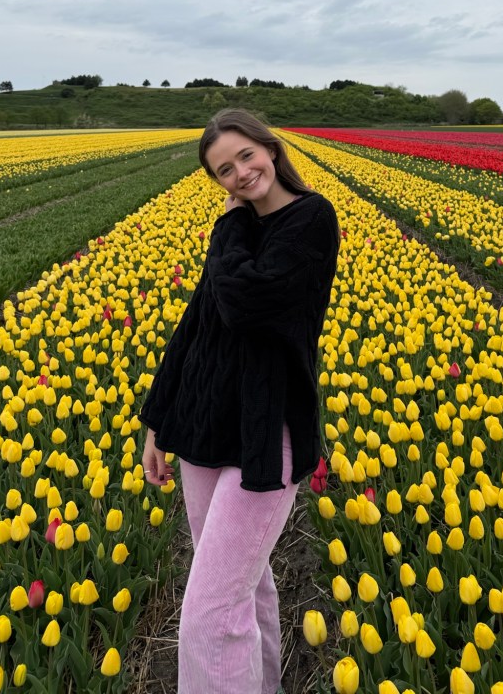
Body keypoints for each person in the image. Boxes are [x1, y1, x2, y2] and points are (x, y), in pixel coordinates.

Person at [139, 109, 340, 694]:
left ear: (269, 148)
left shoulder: (310, 219)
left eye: (244, 157)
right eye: (224, 171)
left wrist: (226, 230)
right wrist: (158, 421)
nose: (240, 174)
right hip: (203, 423)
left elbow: (244, 305)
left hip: (266, 429)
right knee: (242, 588)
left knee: (208, 611)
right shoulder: (237, 232)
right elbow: (198, 325)